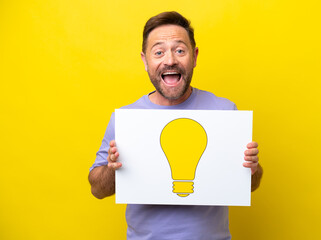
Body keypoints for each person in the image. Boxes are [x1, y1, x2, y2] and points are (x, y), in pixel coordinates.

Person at [88, 11, 263, 240]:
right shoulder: (127, 118)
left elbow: (250, 185)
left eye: (180, 50)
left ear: (195, 56)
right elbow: (97, 190)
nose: (169, 60)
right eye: (158, 52)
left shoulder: (224, 112)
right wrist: (113, 170)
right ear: (145, 60)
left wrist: (252, 168)